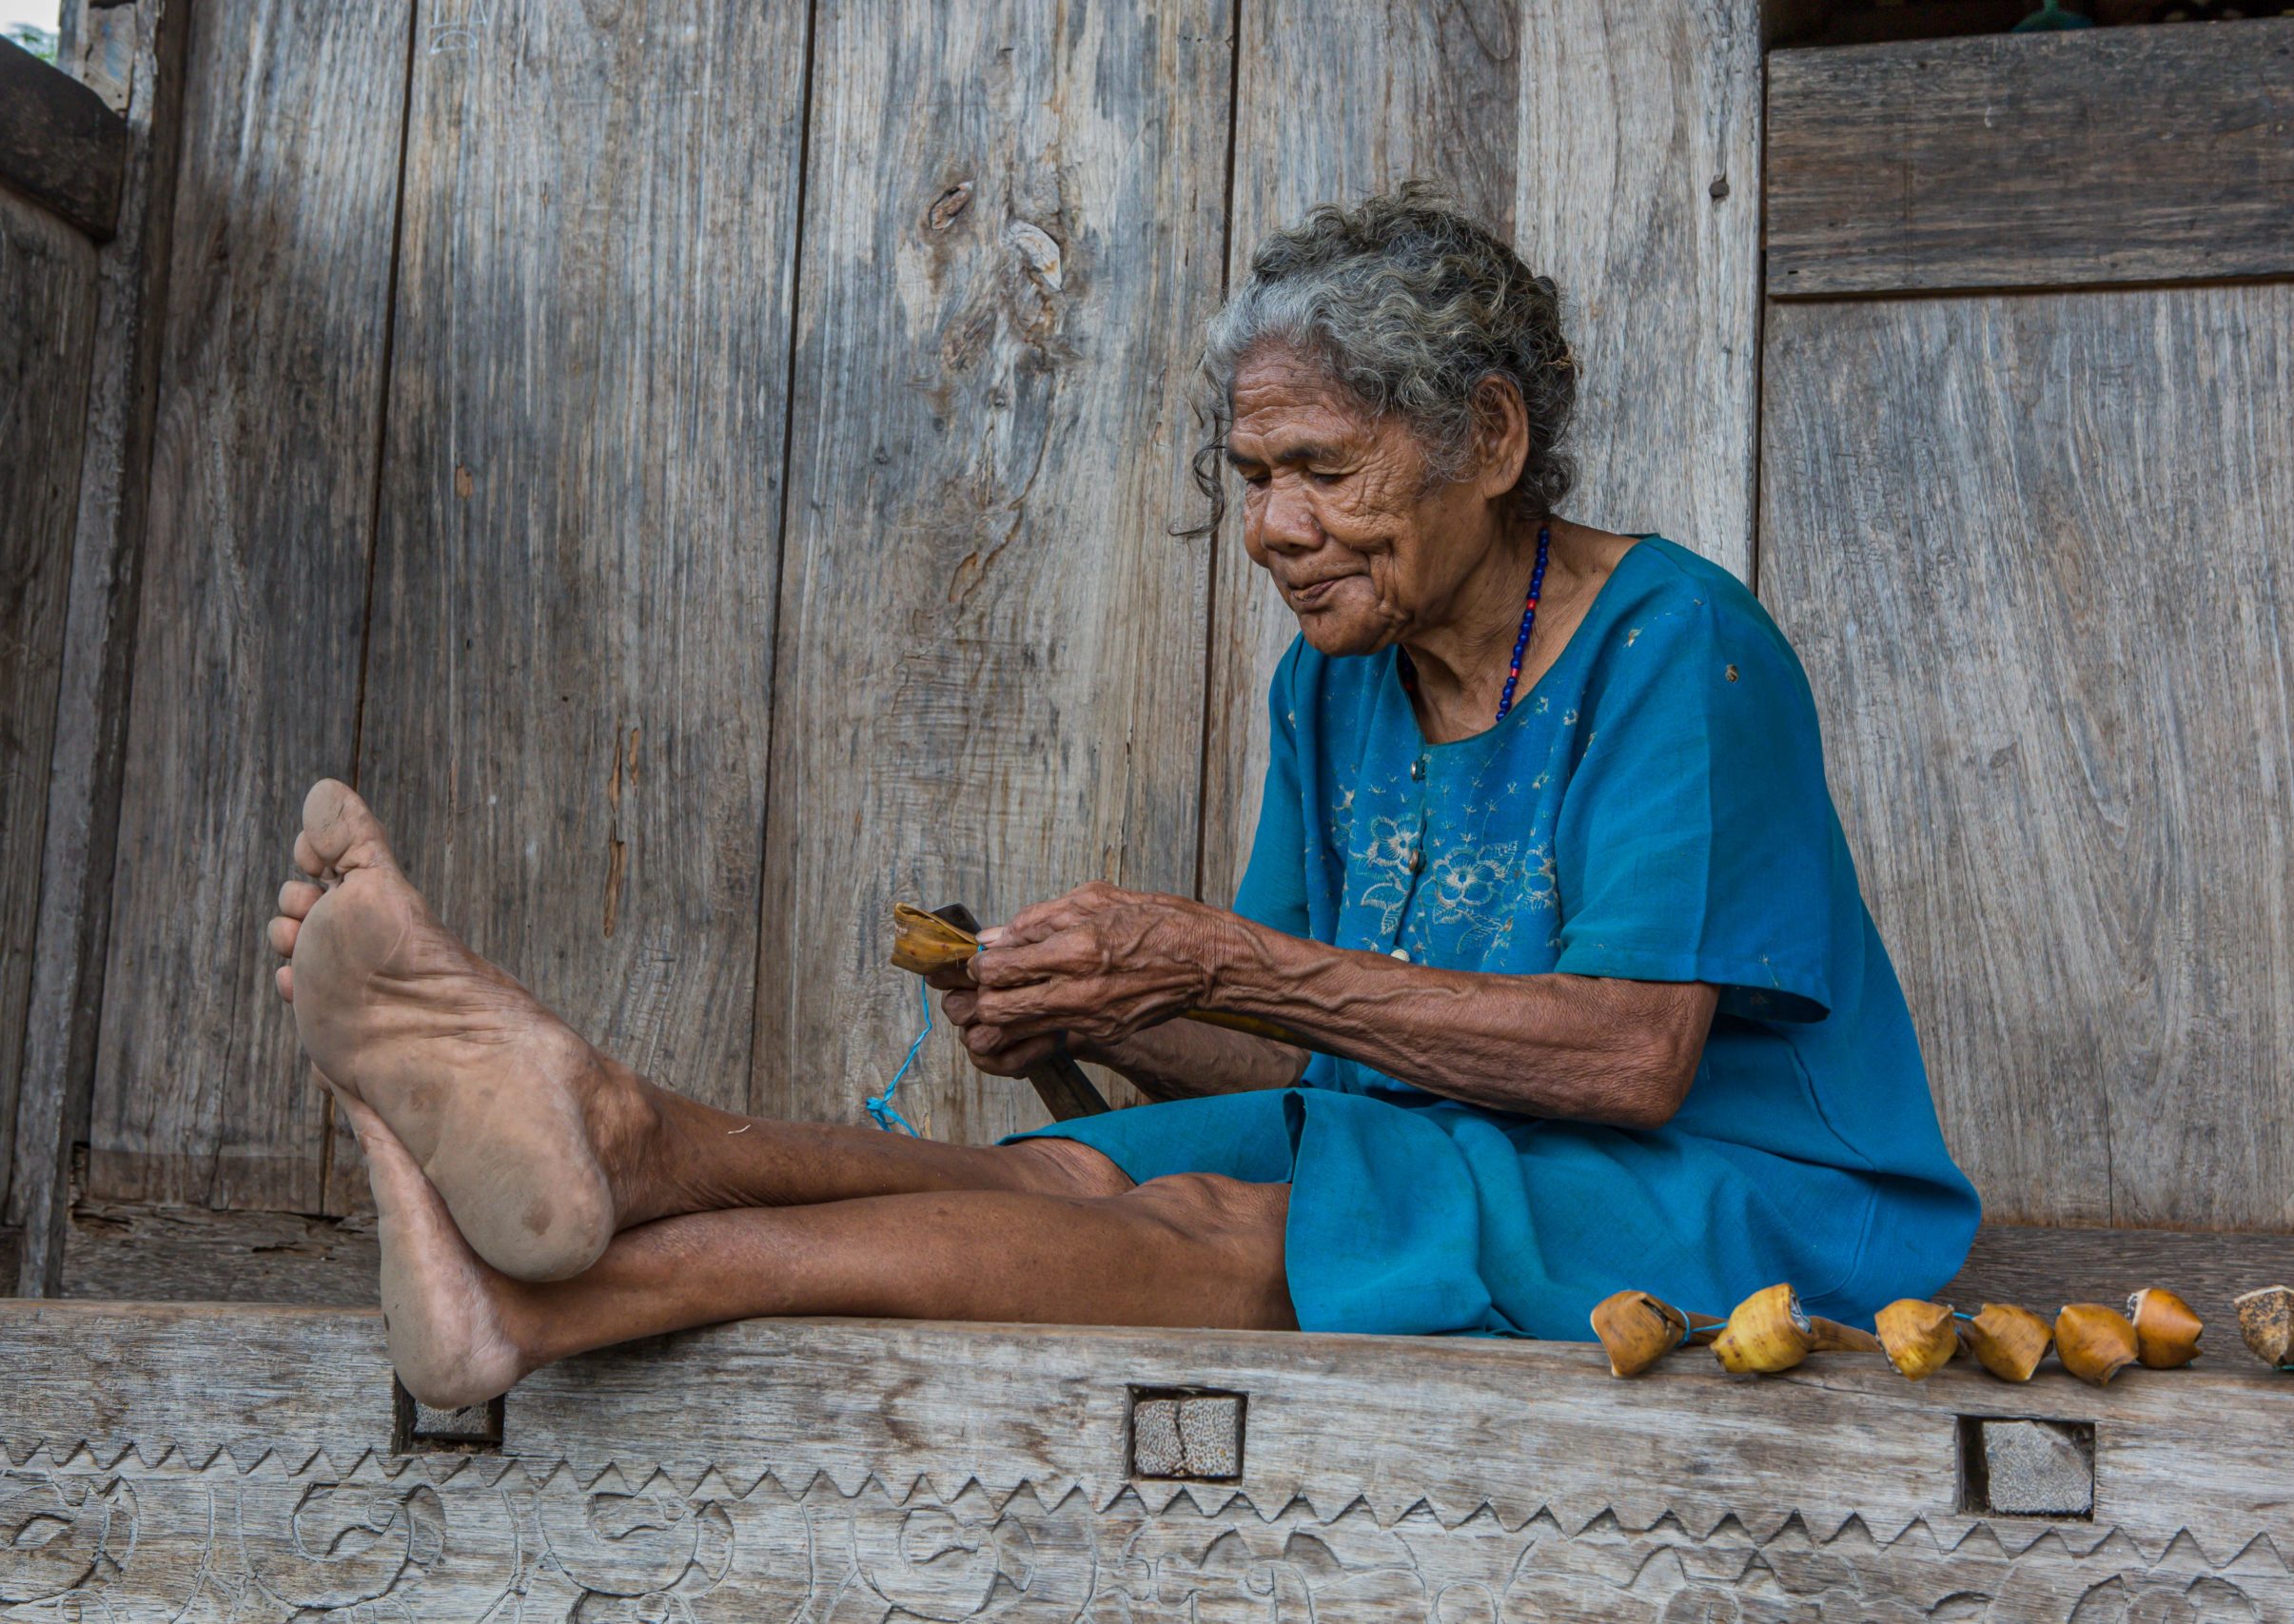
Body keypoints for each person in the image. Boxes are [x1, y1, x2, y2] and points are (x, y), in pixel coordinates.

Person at [266, 189, 1978, 1408]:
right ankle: (623, 1140)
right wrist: (1115, 1000)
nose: (1274, 531)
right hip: (1447, 1148)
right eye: (1251, 480)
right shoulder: (1337, 679)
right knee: (1072, 1171)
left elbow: (1628, 1055)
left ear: (1494, 439)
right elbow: (1308, 1055)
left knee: (1233, 1227)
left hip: (1732, 1193)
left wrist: (1215, 959)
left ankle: (560, 1297)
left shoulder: (1679, 643)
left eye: (1324, 471)